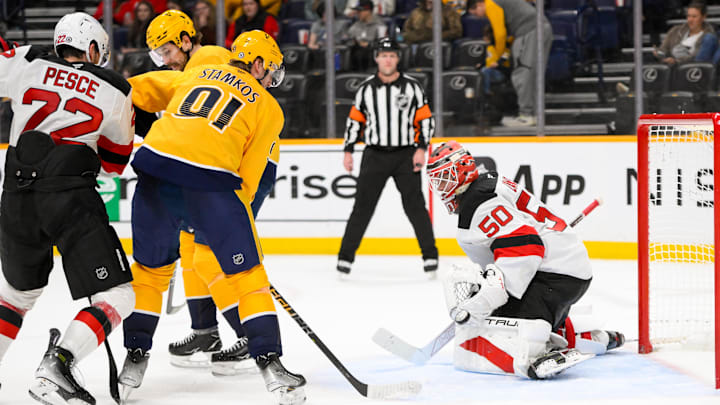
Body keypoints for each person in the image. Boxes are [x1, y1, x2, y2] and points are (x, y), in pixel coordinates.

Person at [121, 29, 306, 404]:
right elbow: (249, 178)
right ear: (257, 63)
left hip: (154, 168)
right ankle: (271, 365)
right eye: (270, 71)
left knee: (151, 274)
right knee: (248, 276)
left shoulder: (196, 71)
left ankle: (134, 359)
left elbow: (134, 89)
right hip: (211, 182)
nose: (270, 81)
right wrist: (236, 231)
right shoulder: (268, 106)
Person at [119, 11, 259, 394]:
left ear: (185, 39)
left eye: (167, 49)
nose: (164, 59)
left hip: (227, 169)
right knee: (189, 252)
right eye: (157, 55)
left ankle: (249, 335)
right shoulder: (188, 67)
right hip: (199, 173)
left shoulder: (210, 57)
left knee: (208, 257)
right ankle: (205, 331)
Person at [0, 12, 136, 403]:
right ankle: (59, 364)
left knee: (15, 295)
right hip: (70, 197)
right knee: (119, 296)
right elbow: (113, 164)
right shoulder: (115, 87)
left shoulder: (28, 59)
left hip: (15, 196)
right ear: (93, 49)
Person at [426, 141, 625, 379]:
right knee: (496, 319)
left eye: (445, 178)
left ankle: (542, 350)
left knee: (507, 331)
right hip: (560, 269)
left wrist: (491, 295)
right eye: (437, 181)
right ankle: (591, 337)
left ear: (464, 168)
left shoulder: (479, 201)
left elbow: (527, 247)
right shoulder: (484, 187)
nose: (441, 188)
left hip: (554, 275)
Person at [337, 37, 438, 277]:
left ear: (398, 59)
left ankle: (430, 256)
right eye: (383, 55)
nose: (388, 59)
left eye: (392, 55)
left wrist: (422, 148)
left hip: (406, 154)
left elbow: (425, 120)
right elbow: (355, 121)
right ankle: (345, 258)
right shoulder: (365, 89)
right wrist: (349, 150)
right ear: (376, 59)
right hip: (374, 155)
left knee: (415, 206)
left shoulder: (412, 87)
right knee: (362, 207)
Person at [466, 0, 552, 127]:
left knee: (523, 72)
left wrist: (498, 57)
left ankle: (527, 115)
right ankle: (534, 114)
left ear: (479, 4)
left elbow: (500, 34)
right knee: (533, 74)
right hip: (540, 28)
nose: (478, 17)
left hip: (530, 31)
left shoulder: (491, 4)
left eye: (475, 13)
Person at [654, 1, 716, 66]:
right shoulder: (676, 30)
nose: (690, 20)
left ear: (703, 17)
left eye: (694, 16)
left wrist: (676, 61)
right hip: (671, 67)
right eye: (688, 16)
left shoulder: (708, 36)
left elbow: (696, 57)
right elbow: (663, 49)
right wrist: (659, 54)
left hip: (691, 68)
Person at [347, 0, 386, 71]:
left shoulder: (380, 25)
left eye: (360, 11)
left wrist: (368, 44)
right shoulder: (355, 25)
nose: (357, 13)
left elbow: (382, 43)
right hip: (355, 55)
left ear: (368, 11)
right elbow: (348, 39)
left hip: (371, 55)